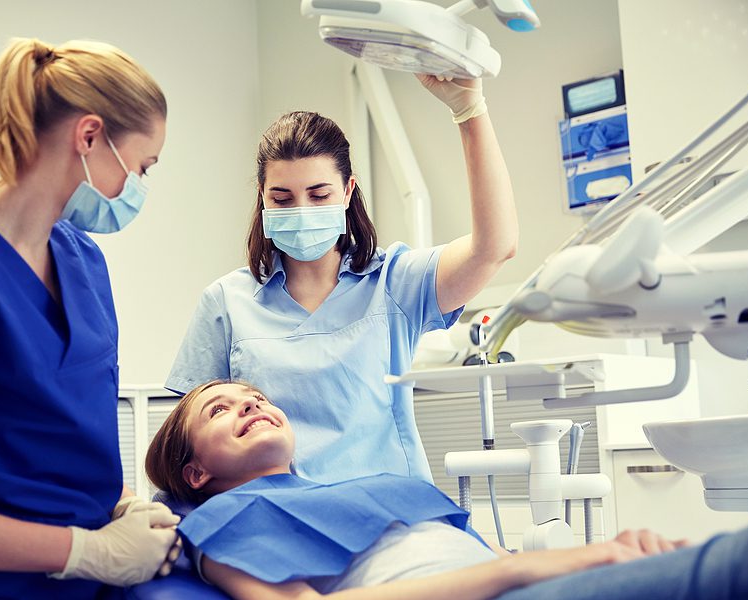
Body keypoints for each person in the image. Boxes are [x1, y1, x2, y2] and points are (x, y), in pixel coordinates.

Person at [0, 38, 181, 599]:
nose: (137, 189)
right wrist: (87, 551)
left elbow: (48, 438)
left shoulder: (83, 259)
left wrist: (115, 505)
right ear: (89, 136)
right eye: (141, 167)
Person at [166, 75, 518, 484]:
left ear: (348, 192)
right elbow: (187, 444)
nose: (301, 210)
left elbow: (495, 247)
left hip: (391, 514)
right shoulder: (226, 302)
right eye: (282, 199)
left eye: (319, 196)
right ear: (262, 195)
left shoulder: (394, 283)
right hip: (279, 517)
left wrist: (469, 110)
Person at [145, 380, 748, 600]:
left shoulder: (370, 487)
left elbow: (484, 560)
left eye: (255, 397)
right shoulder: (222, 520)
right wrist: (551, 564)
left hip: (524, 583)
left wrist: (608, 550)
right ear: (195, 473)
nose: (250, 405)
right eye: (220, 410)